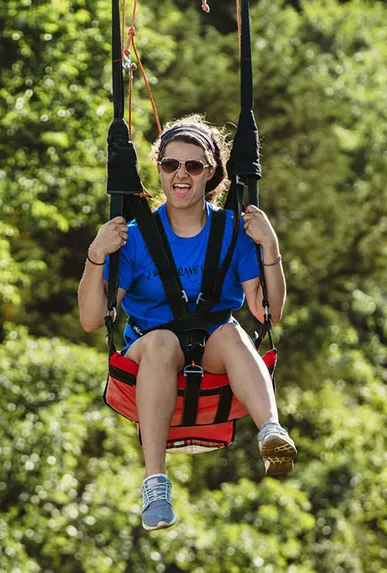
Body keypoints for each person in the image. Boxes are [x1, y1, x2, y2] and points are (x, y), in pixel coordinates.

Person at [77, 115, 296, 531]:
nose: (181, 175)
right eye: (170, 164)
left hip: (214, 346)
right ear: (158, 168)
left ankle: (270, 431)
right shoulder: (137, 236)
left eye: (193, 166)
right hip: (150, 348)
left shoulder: (233, 231)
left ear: (210, 173)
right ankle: (155, 484)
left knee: (232, 332)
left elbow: (268, 312)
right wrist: (96, 255)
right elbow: (91, 320)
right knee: (161, 342)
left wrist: (270, 245)